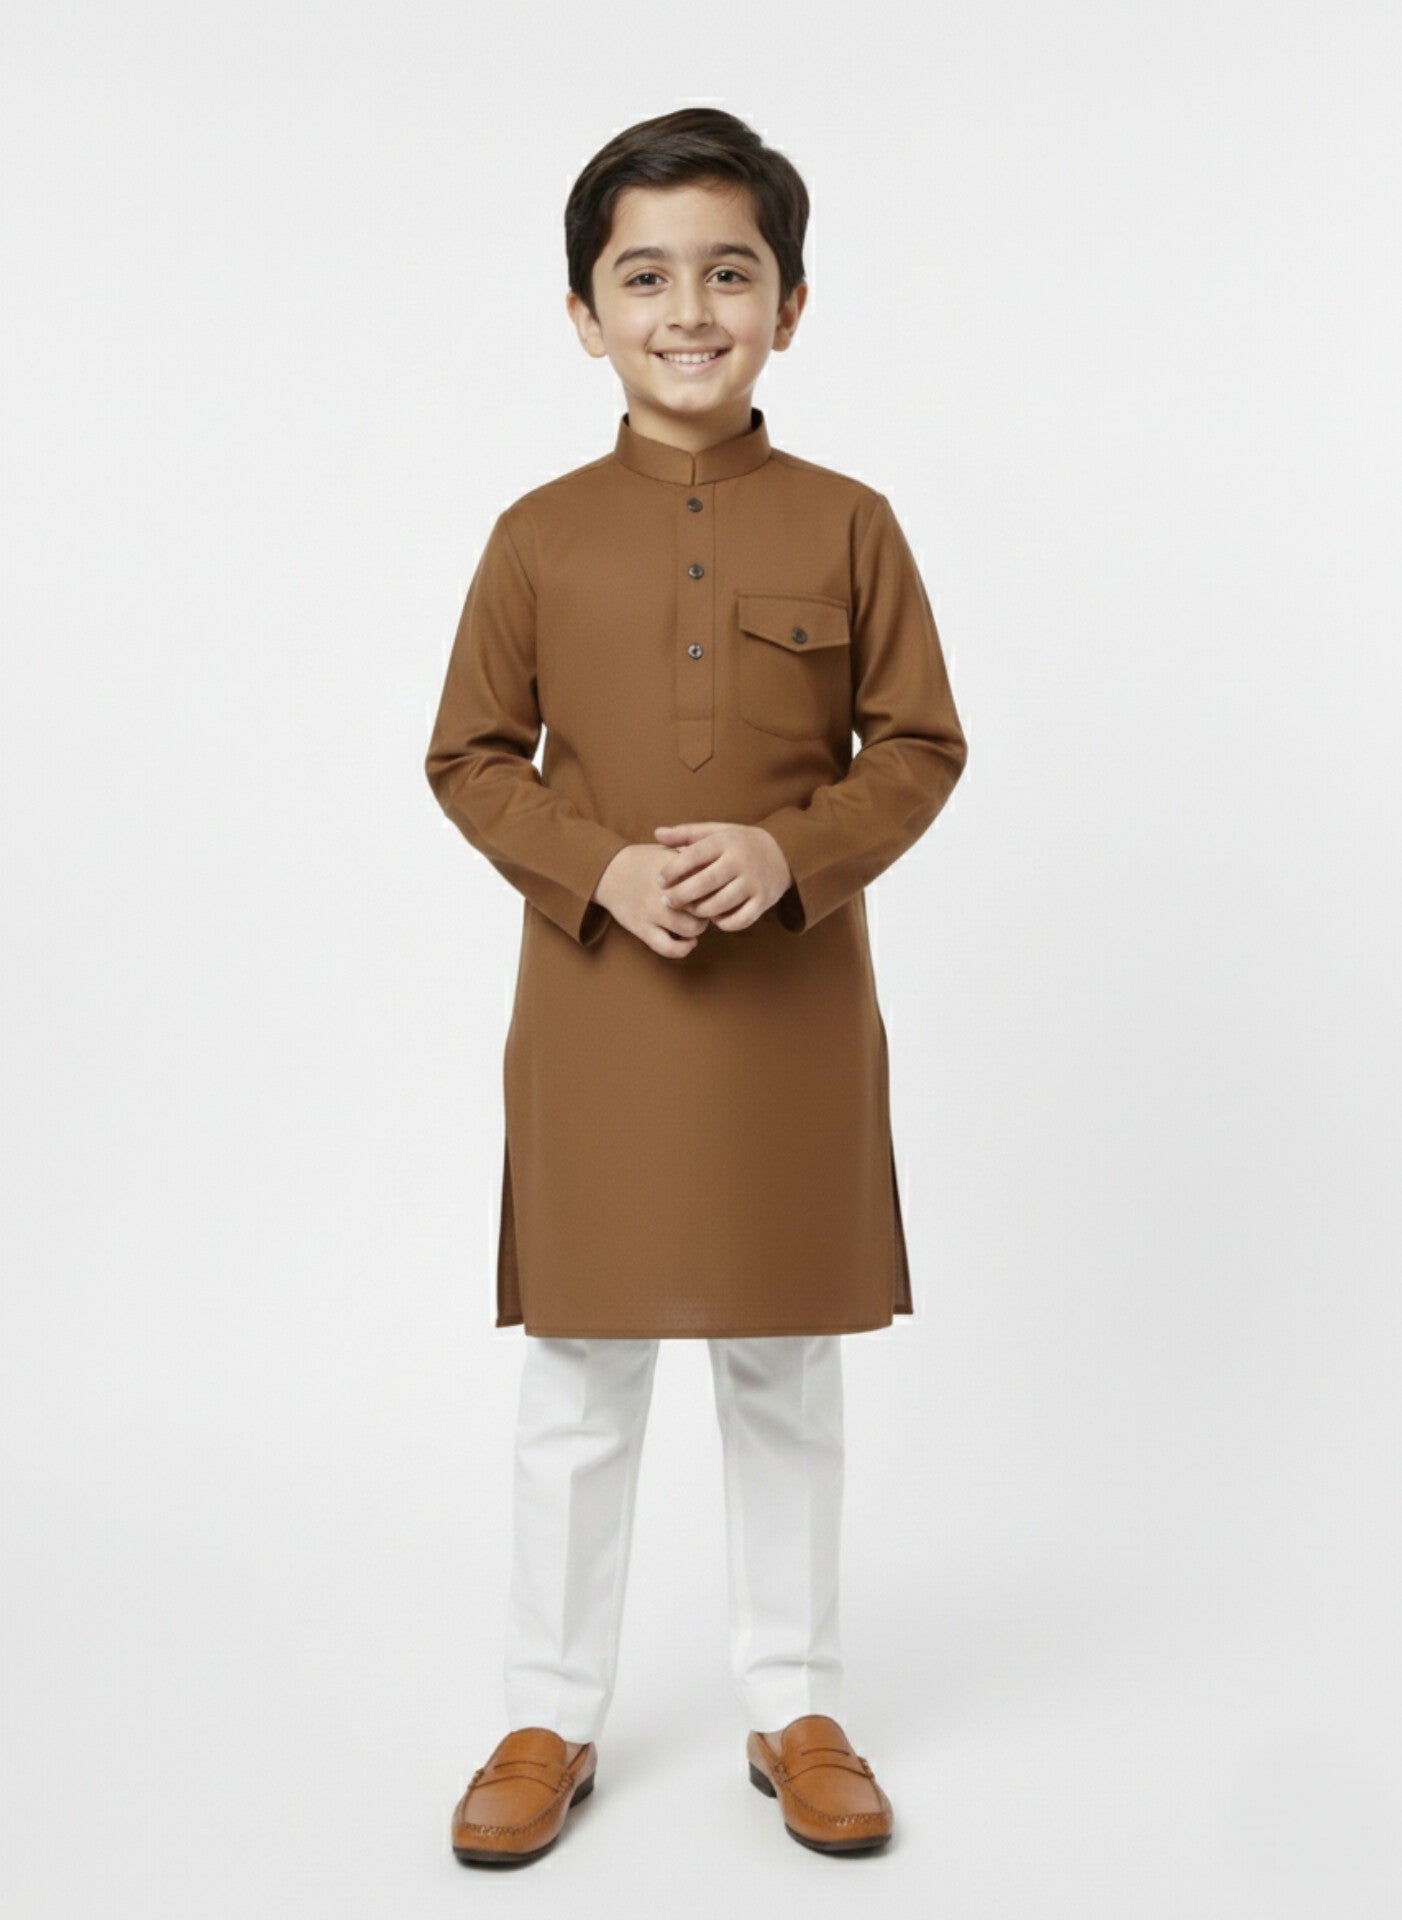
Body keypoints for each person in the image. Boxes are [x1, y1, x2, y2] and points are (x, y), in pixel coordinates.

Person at [425, 106, 968, 1865]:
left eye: (728, 274)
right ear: (583, 313)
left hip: (788, 1010)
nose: (687, 310)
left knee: (782, 1363)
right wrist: (597, 865)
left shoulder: (851, 524)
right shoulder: (533, 536)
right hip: (595, 1009)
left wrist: (787, 852)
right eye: (644, 276)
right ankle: (546, 1713)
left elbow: (920, 747)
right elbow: (467, 757)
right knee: (580, 1370)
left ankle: (794, 1704)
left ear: (788, 306)